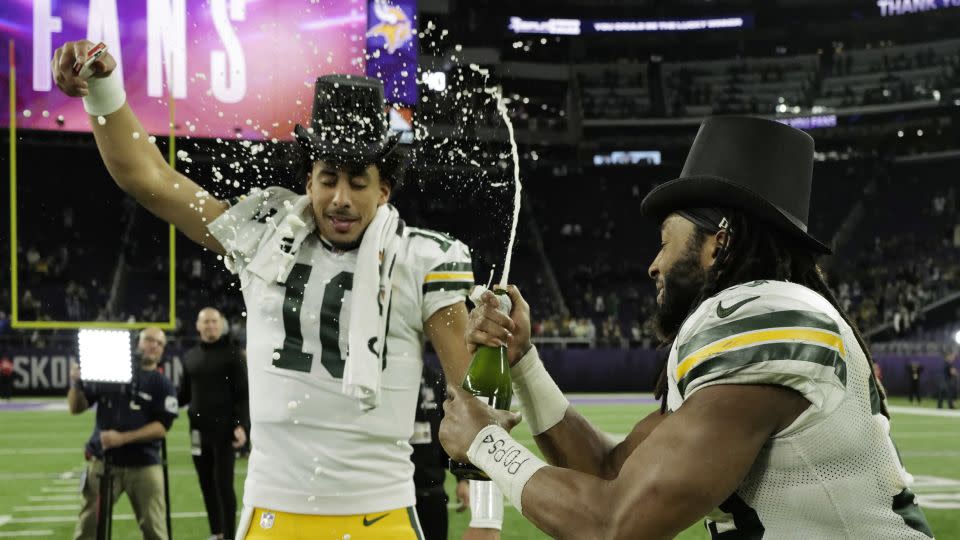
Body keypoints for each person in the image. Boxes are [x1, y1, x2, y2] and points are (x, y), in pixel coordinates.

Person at [52, 41, 500, 540]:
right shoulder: (264, 238)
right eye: (328, 178)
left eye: (358, 181)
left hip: (384, 514)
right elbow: (150, 179)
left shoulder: (421, 259)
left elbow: (475, 396)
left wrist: (486, 515)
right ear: (308, 180)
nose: (341, 198)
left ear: (384, 189)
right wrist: (104, 89)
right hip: (274, 513)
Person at [439, 116, 935, 538]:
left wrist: (485, 441)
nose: (654, 265)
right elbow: (608, 471)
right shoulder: (761, 329)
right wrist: (524, 360)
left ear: (720, 241)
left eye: (665, 241)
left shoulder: (765, 319)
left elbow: (616, 524)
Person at [67, 327, 178, 540]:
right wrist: (76, 383)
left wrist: (122, 439)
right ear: (137, 343)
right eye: (148, 340)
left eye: (159, 343)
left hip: (145, 464)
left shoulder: (162, 383)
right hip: (104, 461)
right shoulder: (111, 372)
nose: (153, 345)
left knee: (155, 530)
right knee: (88, 527)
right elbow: (76, 408)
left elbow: (161, 428)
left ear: (163, 350)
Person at [179, 307, 249, 540]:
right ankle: (216, 533)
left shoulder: (233, 355)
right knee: (206, 484)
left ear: (221, 325)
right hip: (198, 432)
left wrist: (241, 425)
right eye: (206, 322)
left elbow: (243, 395)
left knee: (224, 486)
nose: (210, 326)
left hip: (224, 432)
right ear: (198, 326)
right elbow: (184, 395)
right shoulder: (190, 357)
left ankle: (229, 536)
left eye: (214, 322)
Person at [412, 363, 489, 540]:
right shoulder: (389, 376)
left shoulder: (436, 379)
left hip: (432, 491)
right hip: (398, 490)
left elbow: (450, 433)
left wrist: (462, 479)